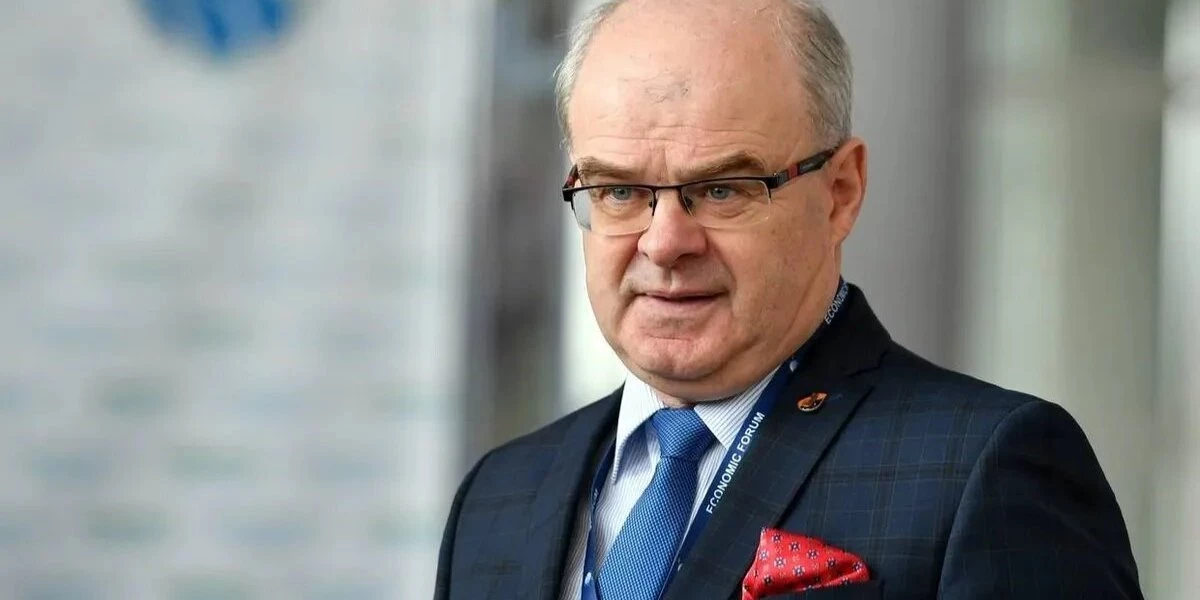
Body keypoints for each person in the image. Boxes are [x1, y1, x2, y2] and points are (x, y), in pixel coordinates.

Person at [434, 0, 1142, 598]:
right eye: (619, 190)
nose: (664, 242)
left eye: (723, 189)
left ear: (841, 193)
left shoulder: (987, 470)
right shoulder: (499, 498)